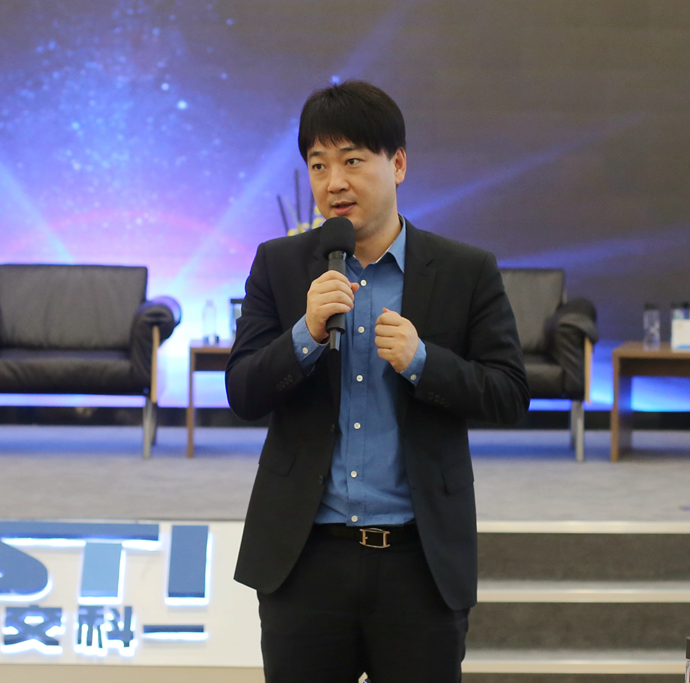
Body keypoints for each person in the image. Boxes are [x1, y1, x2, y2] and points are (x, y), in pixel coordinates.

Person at [225, 80, 529, 682]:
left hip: (419, 561)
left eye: (352, 161)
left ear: (399, 164)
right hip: (304, 559)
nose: (333, 182)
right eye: (318, 165)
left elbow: (509, 394)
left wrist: (423, 361)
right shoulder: (279, 264)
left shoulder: (465, 270)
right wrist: (305, 335)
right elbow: (242, 392)